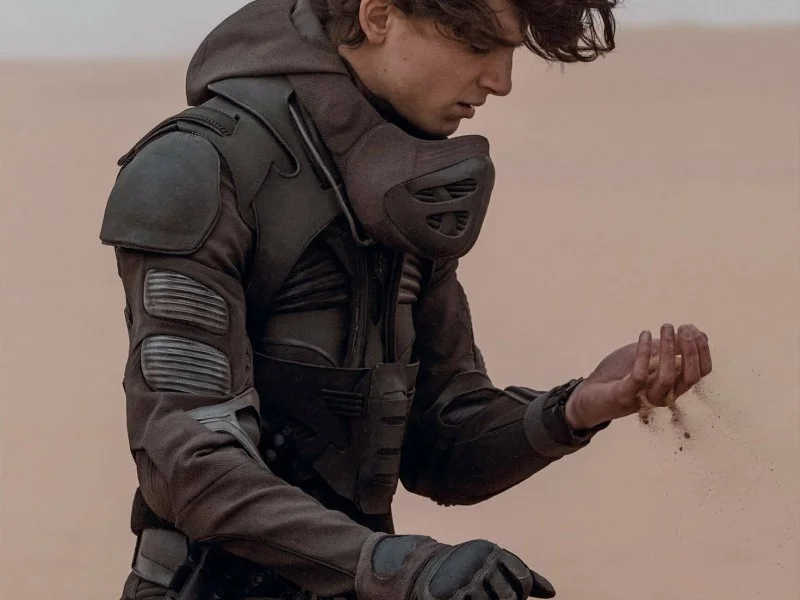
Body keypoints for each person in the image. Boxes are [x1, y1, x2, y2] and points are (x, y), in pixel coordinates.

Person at [99, 0, 713, 598]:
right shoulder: (195, 170)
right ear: (378, 16)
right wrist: (402, 569)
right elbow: (190, 468)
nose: (500, 81)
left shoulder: (399, 178)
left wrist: (578, 406)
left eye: (509, 53)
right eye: (479, 45)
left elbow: (440, 446)